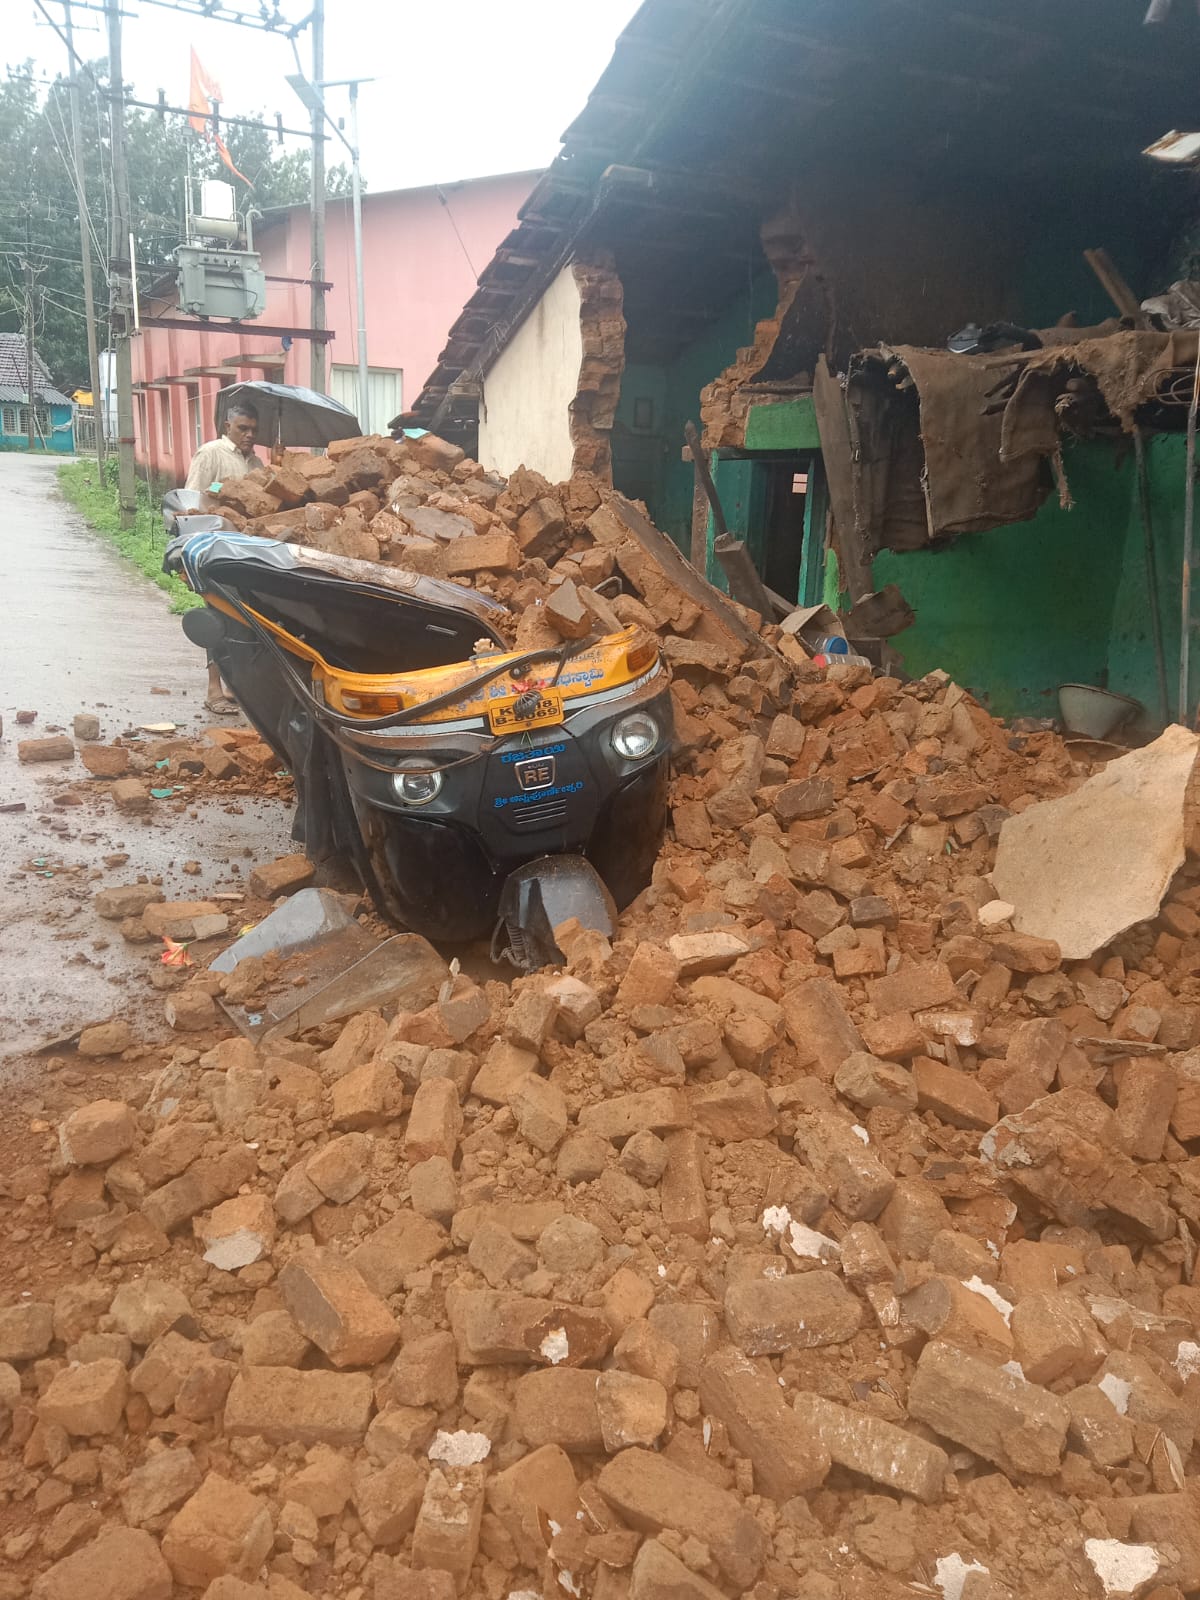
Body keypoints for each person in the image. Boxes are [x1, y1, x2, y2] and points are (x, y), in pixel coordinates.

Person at [185, 402, 260, 714]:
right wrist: (220, 493)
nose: (249, 435)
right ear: (227, 426)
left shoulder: (255, 463)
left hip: (246, 554)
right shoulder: (211, 453)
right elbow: (190, 501)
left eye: (254, 430)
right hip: (214, 551)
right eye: (243, 428)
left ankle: (231, 686)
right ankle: (213, 689)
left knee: (241, 623)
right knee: (217, 619)